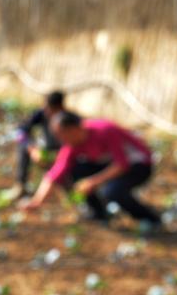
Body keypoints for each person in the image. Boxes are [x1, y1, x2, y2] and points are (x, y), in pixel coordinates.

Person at [21, 112, 161, 227]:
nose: (60, 140)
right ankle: (99, 214)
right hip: (111, 163)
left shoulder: (105, 130)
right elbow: (57, 171)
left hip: (139, 165)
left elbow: (122, 164)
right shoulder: (72, 144)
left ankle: (151, 219)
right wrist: (36, 201)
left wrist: (93, 181)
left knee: (112, 192)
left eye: (61, 135)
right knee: (75, 170)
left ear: (73, 129)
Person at [11, 90, 66, 199]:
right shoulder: (41, 114)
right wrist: (32, 149)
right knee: (23, 148)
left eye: (49, 108)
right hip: (44, 152)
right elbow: (21, 132)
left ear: (59, 107)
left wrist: (61, 155)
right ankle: (20, 185)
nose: (46, 111)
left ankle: (63, 189)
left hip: (62, 154)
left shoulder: (68, 119)